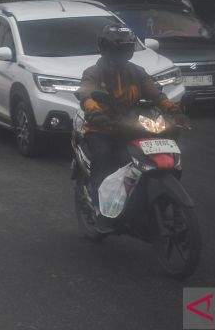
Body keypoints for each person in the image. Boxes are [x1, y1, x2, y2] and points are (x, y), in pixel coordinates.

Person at [79, 24, 187, 224]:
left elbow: (156, 94)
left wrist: (174, 110)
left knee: (147, 157)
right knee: (105, 158)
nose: (123, 52)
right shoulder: (93, 72)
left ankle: (146, 199)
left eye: (126, 48)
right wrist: (95, 112)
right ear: (106, 48)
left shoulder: (136, 72)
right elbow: (86, 94)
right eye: (118, 48)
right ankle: (100, 208)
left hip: (128, 126)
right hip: (101, 128)